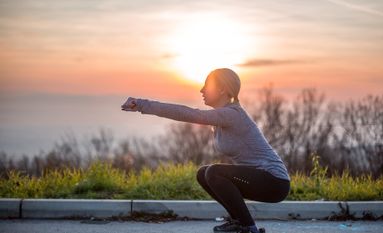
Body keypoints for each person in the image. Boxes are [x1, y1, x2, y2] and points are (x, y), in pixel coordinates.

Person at [121, 68, 290, 233]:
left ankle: (248, 227)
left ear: (222, 89)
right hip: (261, 179)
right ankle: (238, 221)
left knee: (214, 172)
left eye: (206, 85)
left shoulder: (233, 114)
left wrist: (142, 104)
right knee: (203, 173)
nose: (202, 90)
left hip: (274, 182)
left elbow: (188, 114)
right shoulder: (223, 116)